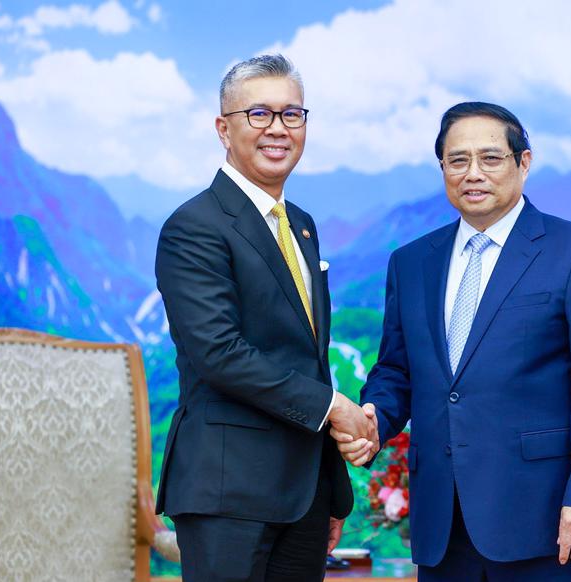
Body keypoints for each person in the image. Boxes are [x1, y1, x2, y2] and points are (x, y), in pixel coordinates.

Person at [334, 102, 571, 581]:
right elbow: (397, 370)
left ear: (524, 163)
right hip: (442, 527)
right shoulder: (411, 263)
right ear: (443, 169)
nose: (473, 173)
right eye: (458, 160)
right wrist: (375, 419)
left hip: (552, 523)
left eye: (490, 158)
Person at [155, 54, 375, 582]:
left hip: (304, 496)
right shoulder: (194, 226)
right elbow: (219, 353)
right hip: (230, 493)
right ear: (223, 128)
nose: (278, 129)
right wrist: (335, 409)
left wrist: (328, 489)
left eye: (292, 114)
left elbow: (305, 355)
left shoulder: (300, 225)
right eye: (259, 114)